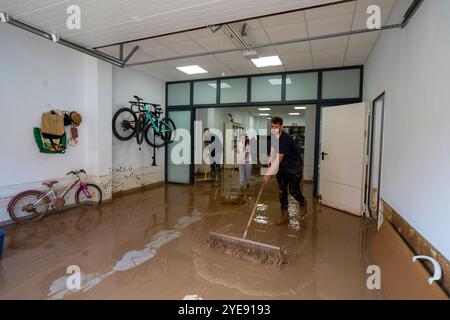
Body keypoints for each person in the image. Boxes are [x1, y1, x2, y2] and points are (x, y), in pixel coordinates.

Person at [264, 117, 306, 225]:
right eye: (272, 127)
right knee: (282, 191)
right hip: (283, 168)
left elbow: (279, 157)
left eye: (276, 127)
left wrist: (268, 173)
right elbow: (273, 150)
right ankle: (284, 214)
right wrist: (270, 160)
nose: (274, 129)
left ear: (281, 127)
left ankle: (303, 202)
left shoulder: (285, 138)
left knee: (293, 190)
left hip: (294, 168)